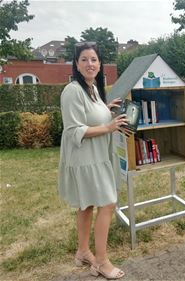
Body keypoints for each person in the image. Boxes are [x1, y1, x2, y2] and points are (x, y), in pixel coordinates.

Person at [58, 41, 131, 279]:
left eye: (94, 60)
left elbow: (91, 116)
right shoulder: (72, 90)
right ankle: (101, 261)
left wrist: (106, 109)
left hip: (97, 157)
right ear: (76, 64)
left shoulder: (93, 89)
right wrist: (109, 126)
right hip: (85, 160)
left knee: (87, 204)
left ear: (100, 64)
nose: (90, 64)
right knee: (107, 203)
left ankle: (82, 252)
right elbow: (73, 130)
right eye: (84, 60)